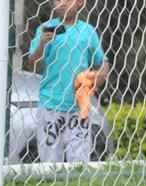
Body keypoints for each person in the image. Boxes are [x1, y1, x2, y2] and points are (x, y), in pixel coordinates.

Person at [27, 0, 109, 163]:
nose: (62, 3)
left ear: (80, 3)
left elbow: (103, 62)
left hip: (79, 108)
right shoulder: (47, 29)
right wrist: (42, 44)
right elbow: (32, 62)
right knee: (50, 162)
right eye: (57, 0)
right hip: (51, 105)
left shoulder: (87, 31)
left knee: (79, 161)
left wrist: (99, 77)